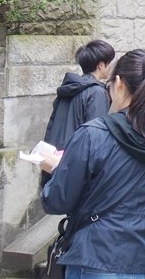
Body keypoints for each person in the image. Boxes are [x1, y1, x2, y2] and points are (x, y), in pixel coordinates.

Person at [40, 49, 145, 279]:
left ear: (118, 83)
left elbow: (57, 200)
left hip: (95, 258)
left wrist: (57, 170)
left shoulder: (93, 134)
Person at [40, 39, 115, 188]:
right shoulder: (97, 93)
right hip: (78, 167)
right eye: (111, 62)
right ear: (101, 65)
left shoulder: (69, 88)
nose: (113, 66)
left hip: (56, 161)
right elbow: (96, 137)